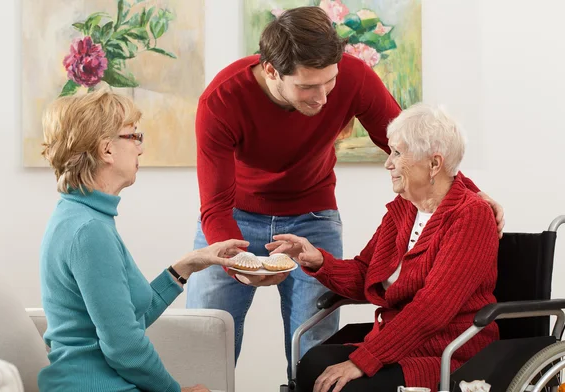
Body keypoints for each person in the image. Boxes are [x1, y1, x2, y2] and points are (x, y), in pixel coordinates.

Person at [186, 5, 504, 376]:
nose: (322, 99)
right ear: (271, 70)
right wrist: (238, 262)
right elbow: (215, 209)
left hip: (313, 215)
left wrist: (470, 194)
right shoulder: (221, 100)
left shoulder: (354, 77)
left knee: (313, 350)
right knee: (204, 342)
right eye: (307, 87)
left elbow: (411, 149)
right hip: (235, 217)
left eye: (329, 83)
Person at [267, 103, 500, 392]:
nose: (388, 163)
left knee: (349, 387)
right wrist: (318, 261)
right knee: (313, 365)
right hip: (398, 344)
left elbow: (433, 309)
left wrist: (363, 360)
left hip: (448, 352)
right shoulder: (403, 210)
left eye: (398, 153)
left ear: (434, 164)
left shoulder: (470, 215)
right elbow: (367, 273)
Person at [38, 91, 247, 392]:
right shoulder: (89, 230)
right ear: (106, 149)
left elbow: (126, 321)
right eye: (133, 136)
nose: (140, 148)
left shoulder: (80, 216)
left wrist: (185, 267)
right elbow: (124, 347)